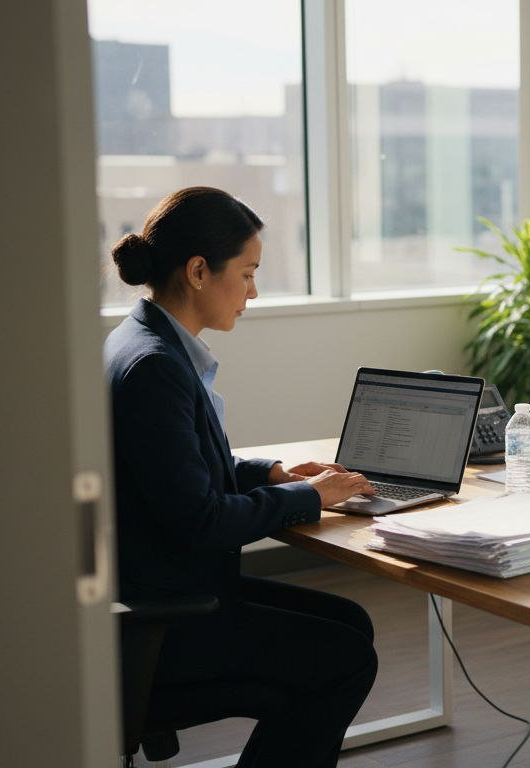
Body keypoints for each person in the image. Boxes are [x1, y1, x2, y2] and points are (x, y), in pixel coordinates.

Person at [105, 186, 378, 767]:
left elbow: (184, 467)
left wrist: (273, 474)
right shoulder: (156, 367)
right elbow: (201, 518)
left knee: (349, 622)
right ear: (199, 271)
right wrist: (309, 496)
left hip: (160, 589)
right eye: (248, 273)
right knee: (345, 659)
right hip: (166, 621)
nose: (253, 291)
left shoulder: (144, 342)